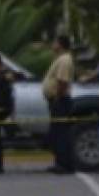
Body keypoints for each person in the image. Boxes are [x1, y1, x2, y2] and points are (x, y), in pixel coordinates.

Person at [42, 35, 76, 173]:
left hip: (60, 100)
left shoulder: (64, 60)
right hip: (56, 99)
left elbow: (62, 81)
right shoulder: (59, 59)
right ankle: (59, 162)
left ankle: (64, 164)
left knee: (61, 134)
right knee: (56, 133)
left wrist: (57, 97)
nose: (53, 44)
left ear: (61, 44)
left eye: (55, 42)